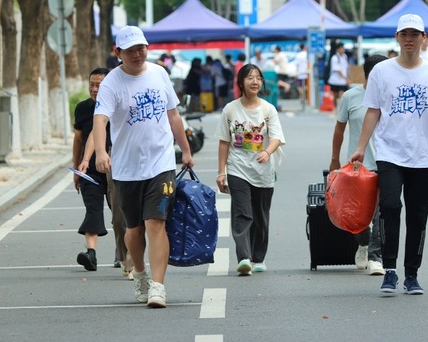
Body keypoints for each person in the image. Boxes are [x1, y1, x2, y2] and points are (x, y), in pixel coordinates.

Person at [349, 14, 428, 295]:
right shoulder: (381, 72)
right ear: (397, 38)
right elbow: (373, 110)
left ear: (424, 38)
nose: (409, 39)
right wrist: (361, 147)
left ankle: (411, 274)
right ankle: (389, 270)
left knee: (418, 216)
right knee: (389, 207)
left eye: (415, 34)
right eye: (404, 34)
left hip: (425, 156)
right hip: (389, 153)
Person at [92, 25, 194, 309]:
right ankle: (139, 272)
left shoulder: (159, 73)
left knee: (156, 222)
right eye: (131, 50)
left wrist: (185, 150)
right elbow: (100, 119)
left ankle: (158, 287)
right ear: (118, 53)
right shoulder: (112, 82)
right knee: (134, 229)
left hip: (161, 163)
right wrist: (101, 152)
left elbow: (173, 114)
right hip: (126, 168)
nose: (137, 54)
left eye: (141, 48)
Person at [215, 63, 286, 276]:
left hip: (263, 171)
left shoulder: (267, 109)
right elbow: (224, 142)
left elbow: (276, 137)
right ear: (241, 83)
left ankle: (258, 257)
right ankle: (244, 257)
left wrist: (267, 152)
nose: (254, 81)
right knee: (243, 213)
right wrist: (221, 172)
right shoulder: (230, 109)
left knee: (261, 217)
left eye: (258, 78)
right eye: (249, 78)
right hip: (237, 169)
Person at [329, 54, 388, 276]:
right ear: (370, 74)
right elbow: (339, 128)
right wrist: (335, 158)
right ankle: (363, 244)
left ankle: (375, 256)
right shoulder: (351, 97)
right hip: (358, 167)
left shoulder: (391, 96)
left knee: (381, 212)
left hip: (386, 164)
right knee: (357, 215)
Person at [73, 68, 122, 272]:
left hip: (116, 168)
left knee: (119, 214)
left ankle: (123, 253)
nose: (94, 89)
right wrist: (78, 167)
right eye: (91, 84)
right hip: (90, 170)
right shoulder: (83, 108)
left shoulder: (117, 106)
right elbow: (79, 139)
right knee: (92, 209)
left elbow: (97, 129)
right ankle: (91, 254)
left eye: (99, 85)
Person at [327, 42, 349, 110]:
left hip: (342, 81)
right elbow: (338, 70)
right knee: (335, 96)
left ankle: (340, 109)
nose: (343, 49)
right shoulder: (335, 58)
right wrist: (346, 78)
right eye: (342, 48)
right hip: (335, 80)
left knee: (341, 95)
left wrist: (347, 77)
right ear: (338, 49)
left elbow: (346, 68)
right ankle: (335, 109)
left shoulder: (345, 56)